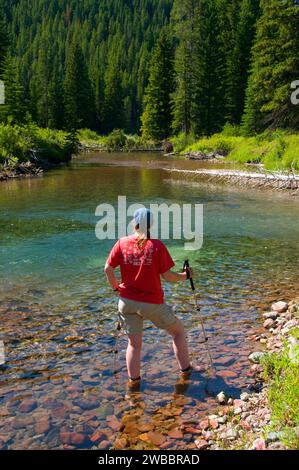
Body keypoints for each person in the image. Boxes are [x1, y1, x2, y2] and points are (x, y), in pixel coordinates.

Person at [104, 208, 194, 387]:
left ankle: (134, 383)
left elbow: (107, 269)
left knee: (134, 345)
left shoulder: (121, 243)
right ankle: (186, 372)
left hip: (126, 302)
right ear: (151, 224)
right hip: (151, 304)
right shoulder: (157, 246)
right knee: (178, 332)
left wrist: (116, 288)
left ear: (133, 222)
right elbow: (168, 277)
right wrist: (186, 276)